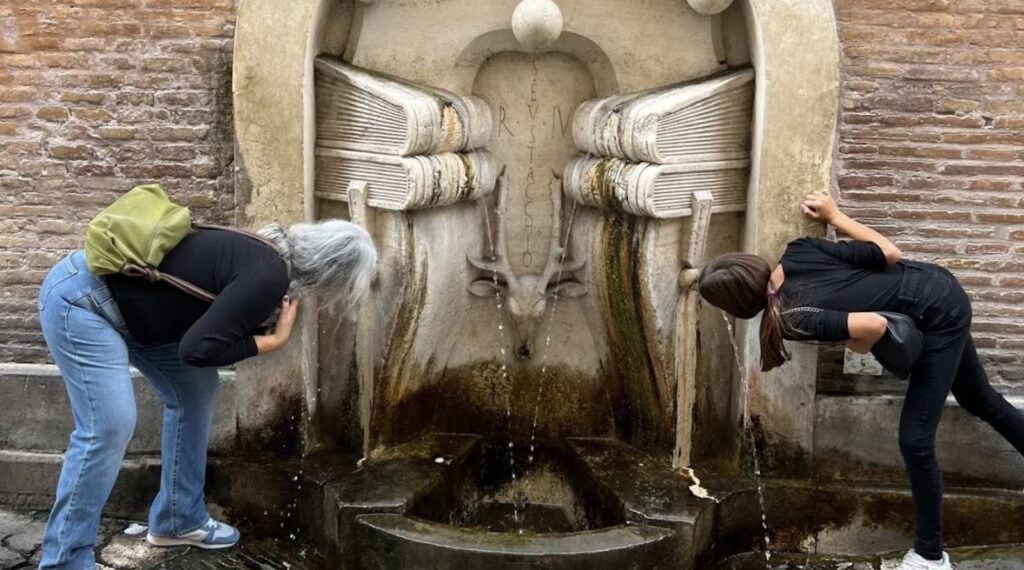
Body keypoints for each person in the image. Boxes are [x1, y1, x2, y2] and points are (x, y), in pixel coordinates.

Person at [698, 191, 1024, 570]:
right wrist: (835, 217)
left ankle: (930, 557)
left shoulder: (793, 319)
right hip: (938, 285)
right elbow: (889, 252)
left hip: (939, 317)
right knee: (977, 397)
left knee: (915, 441)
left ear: (738, 305)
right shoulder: (798, 252)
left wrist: (858, 345)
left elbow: (874, 325)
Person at [37, 219, 376, 570]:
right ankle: (64, 561)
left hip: (127, 309)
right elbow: (197, 350)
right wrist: (271, 341)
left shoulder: (269, 252)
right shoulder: (269, 276)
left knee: (195, 390)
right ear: (329, 275)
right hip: (80, 302)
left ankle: (177, 519)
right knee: (110, 426)